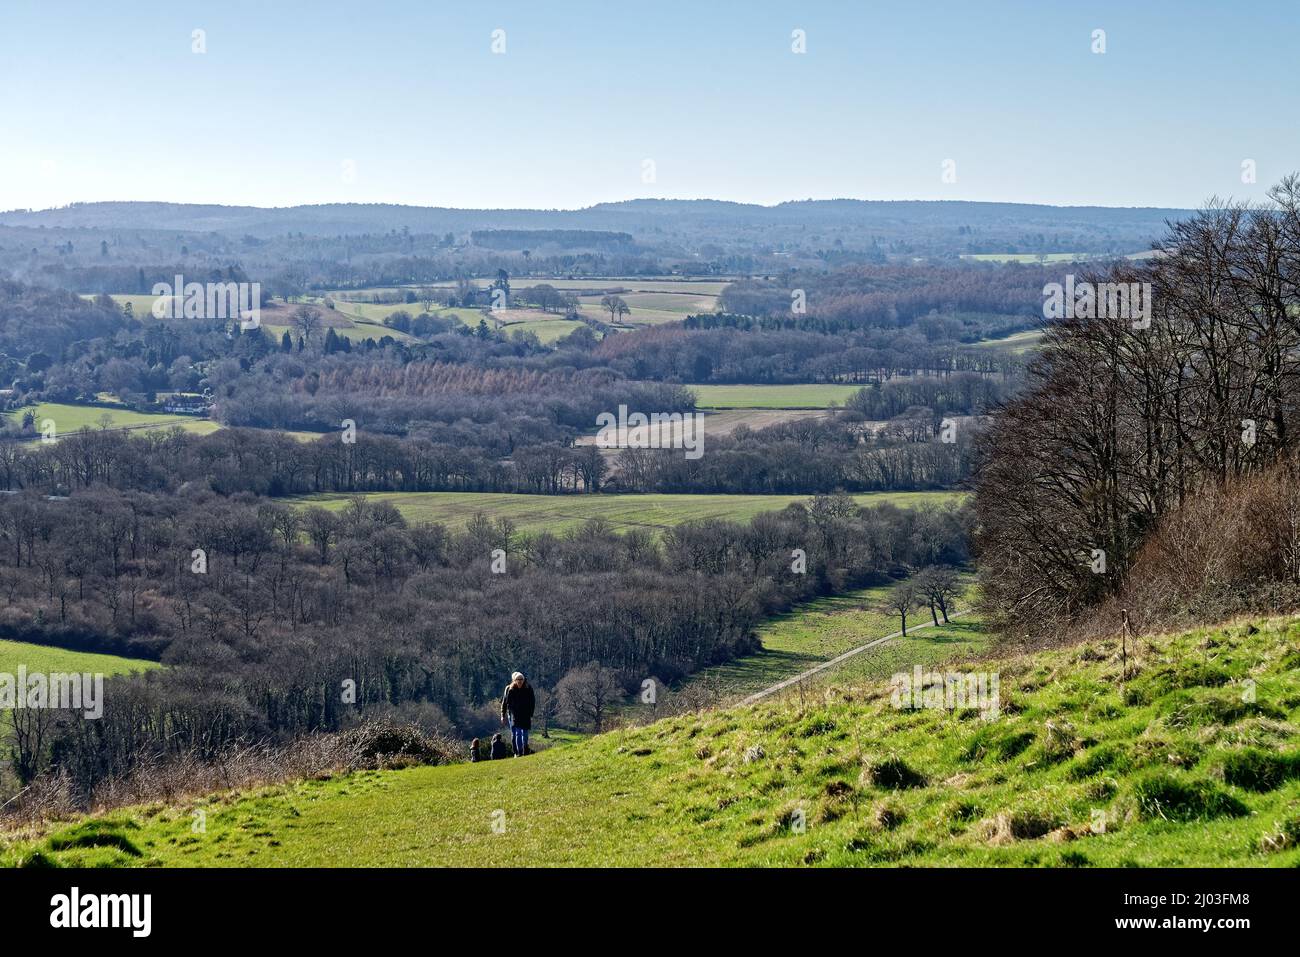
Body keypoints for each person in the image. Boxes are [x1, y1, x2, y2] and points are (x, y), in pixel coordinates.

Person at [500, 671, 536, 757]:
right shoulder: (510, 689)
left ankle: (525, 750)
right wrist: (503, 714)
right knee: (516, 733)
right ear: (514, 680)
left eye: (521, 679)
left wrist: (530, 713)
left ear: (524, 680)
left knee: (525, 733)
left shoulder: (528, 688)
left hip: (525, 715)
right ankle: (517, 752)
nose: (519, 681)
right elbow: (506, 703)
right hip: (514, 715)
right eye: (517, 679)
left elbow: (532, 701)